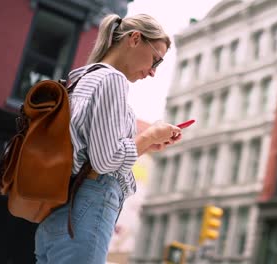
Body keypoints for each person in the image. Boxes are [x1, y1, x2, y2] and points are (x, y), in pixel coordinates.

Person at [34, 13, 182, 263]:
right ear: (135, 39)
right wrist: (148, 136)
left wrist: (146, 145)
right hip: (88, 207)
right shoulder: (112, 79)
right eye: (155, 60)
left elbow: (94, 156)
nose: (153, 72)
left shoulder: (82, 78)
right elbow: (106, 162)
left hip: (58, 211)